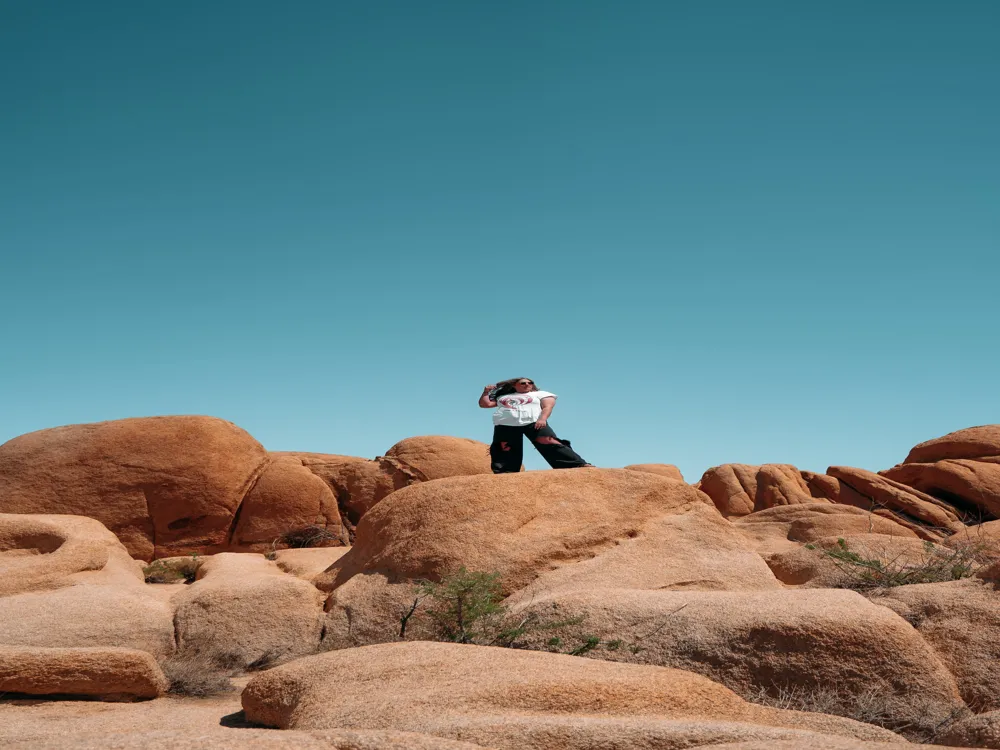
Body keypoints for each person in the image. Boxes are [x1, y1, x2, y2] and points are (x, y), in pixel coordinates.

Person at [478, 377, 593, 474]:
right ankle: (505, 472)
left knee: (550, 442)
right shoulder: (503, 397)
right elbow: (485, 404)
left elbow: (548, 406)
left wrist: (542, 419)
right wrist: (486, 392)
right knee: (504, 447)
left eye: (530, 383)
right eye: (523, 383)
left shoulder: (540, 394)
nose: (527, 384)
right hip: (505, 425)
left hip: (534, 422)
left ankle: (577, 465)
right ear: (515, 385)